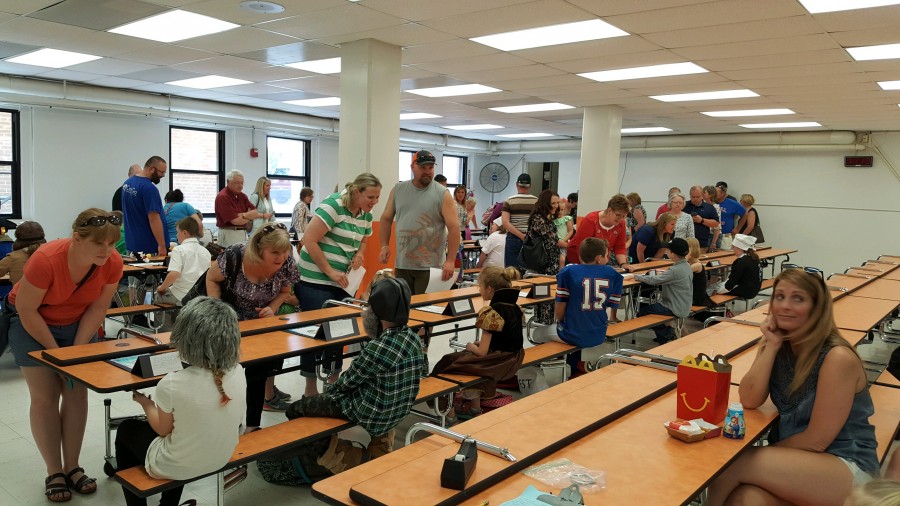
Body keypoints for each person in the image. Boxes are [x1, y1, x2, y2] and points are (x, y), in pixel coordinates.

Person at [707, 268, 878, 506]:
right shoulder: (781, 343)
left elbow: (817, 440)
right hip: (801, 461)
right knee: (746, 499)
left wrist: (766, 454)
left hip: (846, 465)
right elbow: (749, 399)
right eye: (779, 296)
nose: (785, 306)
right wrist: (771, 346)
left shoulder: (837, 357)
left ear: (817, 309)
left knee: (734, 463)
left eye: (798, 298)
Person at [7, 208, 124, 502]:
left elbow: (98, 308)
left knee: (75, 392)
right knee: (45, 397)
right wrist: (56, 354)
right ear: (77, 238)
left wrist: (76, 350)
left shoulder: (112, 262)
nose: (108, 251)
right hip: (31, 322)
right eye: (100, 244)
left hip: (78, 324)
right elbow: (27, 310)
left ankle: (72, 466)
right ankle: (54, 470)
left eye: (112, 244)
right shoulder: (46, 259)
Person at [284, 277, 427, 473]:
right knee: (383, 391)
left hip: (372, 411)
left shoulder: (378, 347)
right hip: (399, 409)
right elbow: (423, 371)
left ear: (377, 311)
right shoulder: (413, 338)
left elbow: (345, 383)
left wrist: (325, 397)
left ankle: (346, 458)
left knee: (296, 409)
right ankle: (381, 446)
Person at [114, 297, 246, 506]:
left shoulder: (172, 383)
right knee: (185, 433)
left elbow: (163, 430)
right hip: (222, 455)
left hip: (179, 464)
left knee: (127, 429)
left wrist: (146, 404)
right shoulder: (238, 370)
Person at [206, 222, 299, 428]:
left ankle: (252, 426)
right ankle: (225, 423)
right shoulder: (235, 256)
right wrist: (218, 310)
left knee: (257, 373)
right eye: (274, 252)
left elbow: (285, 292)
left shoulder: (286, 262)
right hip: (227, 322)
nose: (281, 258)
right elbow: (211, 279)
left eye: (285, 252)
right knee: (226, 373)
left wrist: (272, 308)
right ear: (258, 248)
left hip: (257, 324)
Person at [297, 173, 381, 397]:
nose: (374, 202)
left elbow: (364, 237)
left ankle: (333, 381)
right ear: (356, 192)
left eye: (377, 198)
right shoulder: (333, 205)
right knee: (315, 334)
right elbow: (309, 240)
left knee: (338, 331)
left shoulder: (366, 212)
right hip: (315, 278)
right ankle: (310, 390)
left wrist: (360, 254)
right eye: (370, 197)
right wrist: (330, 271)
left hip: (343, 281)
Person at [431, 267, 525, 419]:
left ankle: (449, 416)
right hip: (514, 358)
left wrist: (471, 346)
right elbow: (504, 336)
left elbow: (481, 352)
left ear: (489, 289)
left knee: (446, 365)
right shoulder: (515, 307)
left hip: (497, 362)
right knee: (468, 363)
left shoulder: (491, 312)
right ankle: (474, 408)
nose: (478, 288)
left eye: (479, 285)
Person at [378, 150, 460, 294]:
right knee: (404, 309)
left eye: (430, 168)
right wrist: (384, 245)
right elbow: (386, 218)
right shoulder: (398, 189)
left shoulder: (442, 193)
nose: (427, 171)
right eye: (423, 168)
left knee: (426, 310)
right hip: (403, 265)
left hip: (431, 267)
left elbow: (454, 228)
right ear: (412, 167)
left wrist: (450, 260)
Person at [555, 238, 623, 375]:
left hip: (572, 333)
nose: (608, 258)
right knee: (580, 321)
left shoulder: (569, 272)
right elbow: (613, 305)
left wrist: (561, 322)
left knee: (536, 334)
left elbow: (559, 312)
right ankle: (576, 367)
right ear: (599, 258)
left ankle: (569, 364)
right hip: (599, 332)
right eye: (606, 255)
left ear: (580, 256)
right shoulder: (613, 274)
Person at [625, 237, 692, 344]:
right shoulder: (687, 265)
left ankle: (667, 336)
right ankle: (666, 332)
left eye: (668, 250)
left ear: (673, 254)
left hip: (673, 307)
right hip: (684, 305)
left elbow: (653, 280)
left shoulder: (674, 270)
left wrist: (635, 276)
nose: (666, 252)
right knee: (653, 309)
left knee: (643, 312)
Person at [526, 190, 565, 326]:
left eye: (557, 202)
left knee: (550, 294)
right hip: (542, 263)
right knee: (544, 296)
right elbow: (553, 240)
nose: (556, 206)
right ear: (545, 203)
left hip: (551, 262)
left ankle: (547, 324)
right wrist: (571, 245)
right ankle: (543, 325)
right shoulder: (538, 218)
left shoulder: (548, 218)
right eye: (552, 203)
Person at [155, 217, 211, 306]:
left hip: (180, 295)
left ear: (184, 233)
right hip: (199, 296)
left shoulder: (179, 250)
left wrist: (161, 288)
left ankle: (169, 320)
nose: (177, 235)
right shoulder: (206, 252)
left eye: (177, 232)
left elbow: (174, 273)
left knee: (156, 297)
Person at [566, 194, 630, 266]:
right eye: (618, 215)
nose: (621, 219)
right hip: (577, 259)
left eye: (624, 216)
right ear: (609, 210)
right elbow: (580, 247)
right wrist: (586, 268)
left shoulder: (621, 224)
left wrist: (623, 264)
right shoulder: (591, 220)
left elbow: (619, 247)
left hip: (598, 262)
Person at [122, 156, 168, 256]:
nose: (163, 175)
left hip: (132, 244)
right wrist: (162, 245)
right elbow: (154, 219)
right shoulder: (149, 189)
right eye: (162, 172)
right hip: (148, 247)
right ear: (152, 169)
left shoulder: (127, 184)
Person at [214, 170, 264, 247]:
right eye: (237, 183)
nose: (240, 185)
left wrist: (243, 215)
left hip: (243, 233)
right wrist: (248, 215)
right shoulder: (223, 197)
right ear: (228, 182)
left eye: (242, 183)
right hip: (229, 233)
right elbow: (235, 221)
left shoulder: (242, 196)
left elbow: (255, 212)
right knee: (231, 258)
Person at [501, 173, 538, 271]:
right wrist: (526, 236)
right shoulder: (537, 202)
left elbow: (505, 222)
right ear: (530, 185)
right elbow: (538, 222)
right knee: (530, 270)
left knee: (512, 271)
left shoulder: (509, 201)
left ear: (517, 184)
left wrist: (521, 235)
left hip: (513, 238)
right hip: (531, 239)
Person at [715, 233, 762, 299]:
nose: (733, 249)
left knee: (712, 288)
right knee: (718, 285)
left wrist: (718, 292)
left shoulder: (740, 262)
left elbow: (730, 284)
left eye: (733, 247)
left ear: (740, 248)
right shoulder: (754, 258)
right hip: (754, 290)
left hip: (746, 291)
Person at [684, 185, 719, 253]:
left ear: (702, 195)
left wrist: (702, 220)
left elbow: (716, 223)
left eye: (698, 197)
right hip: (684, 243)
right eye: (693, 197)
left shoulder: (709, 207)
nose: (695, 199)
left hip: (701, 244)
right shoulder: (684, 205)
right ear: (690, 195)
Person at [715, 182, 745, 250]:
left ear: (723, 193)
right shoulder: (710, 202)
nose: (714, 195)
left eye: (716, 193)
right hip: (712, 235)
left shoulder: (732, 202)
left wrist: (737, 228)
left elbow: (745, 214)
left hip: (725, 236)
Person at [554, 198, 574, 269]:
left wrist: (565, 240)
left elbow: (571, 231)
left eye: (562, 210)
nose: (560, 212)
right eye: (558, 210)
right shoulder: (553, 220)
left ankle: (561, 273)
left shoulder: (566, 219)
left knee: (562, 259)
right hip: (555, 242)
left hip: (563, 241)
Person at [703, 185, 723, 251]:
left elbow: (717, 226)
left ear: (711, 195)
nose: (702, 194)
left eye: (704, 192)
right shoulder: (702, 205)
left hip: (713, 235)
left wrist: (714, 242)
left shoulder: (716, 207)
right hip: (704, 234)